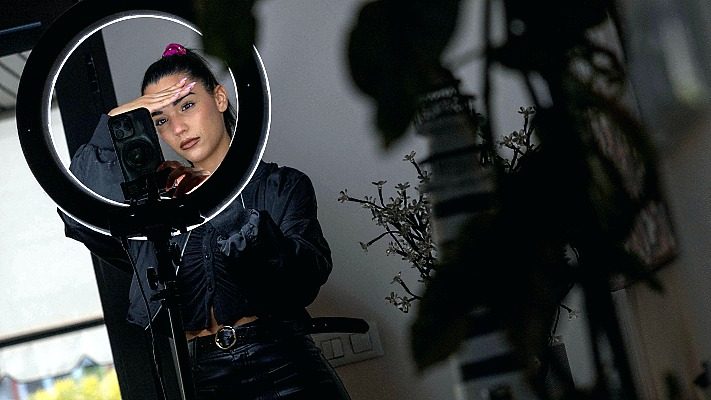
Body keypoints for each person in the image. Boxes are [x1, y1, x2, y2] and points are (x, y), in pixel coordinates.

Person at [60, 43, 350, 399]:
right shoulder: (159, 210)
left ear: (220, 98)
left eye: (187, 105)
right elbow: (79, 214)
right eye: (160, 119)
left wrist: (213, 201)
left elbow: (302, 279)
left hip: (286, 367)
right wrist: (117, 119)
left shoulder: (281, 185)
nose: (178, 127)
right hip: (204, 378)